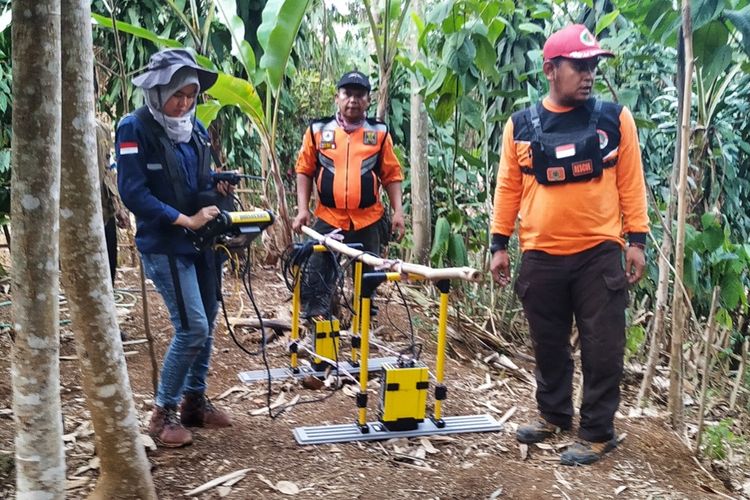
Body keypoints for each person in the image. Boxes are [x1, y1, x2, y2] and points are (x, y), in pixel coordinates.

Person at [489, 25, 649, 466]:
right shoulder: (520, 126)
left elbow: (632, 184)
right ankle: (554, 415)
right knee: (548, 341)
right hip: (541, 254)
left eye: (593, 65)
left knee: (603, 344)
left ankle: (598, 431)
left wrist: (637, 240)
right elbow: (508, 189)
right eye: (578, 65)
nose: (589, 74)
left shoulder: (615, 120)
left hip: (598, 253)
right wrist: (498, 244)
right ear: (550, 70)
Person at [116, 48, 234, 448]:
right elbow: (133, 191)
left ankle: (194, 402)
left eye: (190, 95)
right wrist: (183, 219)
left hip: (203, 243)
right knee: (193, 326)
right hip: (166, 242)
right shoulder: (134, 128)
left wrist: (215, 188)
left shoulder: (194, 129)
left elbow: (195, 183)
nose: (183, 104)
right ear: (157, 90)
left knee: (208, 321)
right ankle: (162, 411)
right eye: (176, 95)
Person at [292, 70, 405, 319]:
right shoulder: (318, 130)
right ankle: (318, 328)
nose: (352, 100)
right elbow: (304, 170)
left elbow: (392, 174)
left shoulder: (379, 133)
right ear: (337, 97)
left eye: (359, 95)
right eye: (347, 94)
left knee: (368, 280)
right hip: (328, 218)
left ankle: (363, 329)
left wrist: (398, 212)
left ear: (368, 100)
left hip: (369, 220)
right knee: (316, 275)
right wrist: (302, 209)